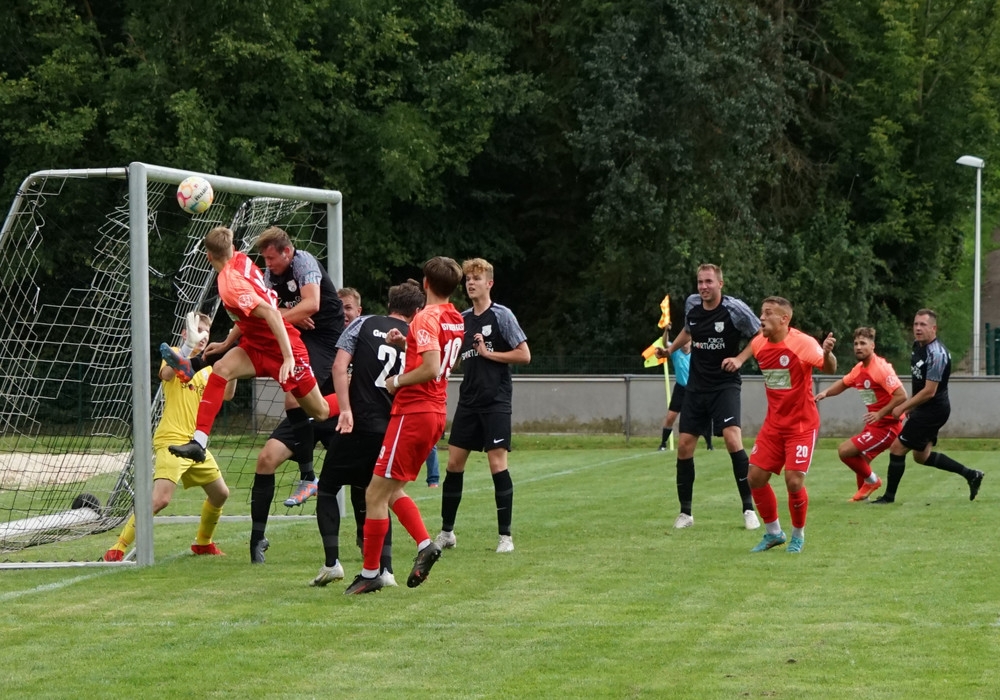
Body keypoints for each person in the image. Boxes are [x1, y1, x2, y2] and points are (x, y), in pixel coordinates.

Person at [167, 227, 338, 469]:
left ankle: (354, 395)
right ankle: (199, 442)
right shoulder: (240, 260)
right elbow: (248, 317)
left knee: (320, 411)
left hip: (282, 347)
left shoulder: (230, 285)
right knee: (221, 369)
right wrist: (227, 343)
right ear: (232, 248)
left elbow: (272, 314)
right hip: (256, 345)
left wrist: (288, 357)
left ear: (208, 256)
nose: (267, 263)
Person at [344, 256, 465, 594]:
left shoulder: (425, 316)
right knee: (391, 490)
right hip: (435, 412)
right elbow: (444, 357)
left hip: (413, 412)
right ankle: (425, 544)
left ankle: (372, 572)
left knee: (374, 493)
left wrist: (396, 381)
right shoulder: (455, 317)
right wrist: (406, 343)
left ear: (426, 284)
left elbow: (431, 367)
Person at [311, 280, 425, 588]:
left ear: (389, 305)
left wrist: (345, 409)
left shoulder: (364, 323)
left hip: (360, 421)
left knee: (328, 487)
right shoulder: (416, 336)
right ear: (416, 311)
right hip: (392, 427)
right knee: (382, 494)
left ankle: (332, 563)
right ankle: (385, 569)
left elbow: (339, 367)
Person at [103, 313, 235, 561]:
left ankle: (203, 543)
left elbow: (227, 395)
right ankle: (118, 547)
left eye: (206, 332)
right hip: (172, 441)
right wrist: (186, 348)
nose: (203, 336)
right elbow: (166, 374)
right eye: (198, 330)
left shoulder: (207, 367)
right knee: (160, 499)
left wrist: (233, 363)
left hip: (195, 445)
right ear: (186, 333)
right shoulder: (176, 353)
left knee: (221, 494)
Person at [433, 258, 530, 554]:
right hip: (469, 401)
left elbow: (524, 355)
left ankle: (505, 537)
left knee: (497, 464)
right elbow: (451, 357)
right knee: (453, 464)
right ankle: (447, 532)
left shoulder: (502, 315)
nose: (470, 283)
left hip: (496, 400)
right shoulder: (461, 319)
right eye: (467, 280)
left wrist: (490, 354)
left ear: (489, 283)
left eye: (476, 279)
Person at [655, 264, 762, 530]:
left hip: (725, 385)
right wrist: (670, 351)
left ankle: (749, 509)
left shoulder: (735, 309)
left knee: (732, 439)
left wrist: (739, 359)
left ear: (720, 284)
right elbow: (688, 330)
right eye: (700, 282)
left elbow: (759, 335)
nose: (703, 287)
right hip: (696, 386)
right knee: (684, 446)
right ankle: (685, 514)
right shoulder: (693, 305)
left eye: (708, 282)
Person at [256, 227, 345, 508]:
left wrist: (285, 315)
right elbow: (267, 311)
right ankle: (308, 475)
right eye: (265, 259)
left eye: (272, 258)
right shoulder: (271, 274)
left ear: (287, 251)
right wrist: (291, 316)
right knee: (294, 399)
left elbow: (312, 304)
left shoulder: (303, 261)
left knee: (295, 398)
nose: (268, 264)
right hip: (302, 335)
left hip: (327, 338)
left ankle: (308, 476)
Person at [747, 297, 836, 554]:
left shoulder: (803, 343)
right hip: (773, 425)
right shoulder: (758, 344)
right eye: (761, 313)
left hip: (801, 425)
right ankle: (774, 533)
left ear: (784, 319)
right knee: (755, 477)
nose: (762, 317)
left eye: (768, 313)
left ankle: (798, 536)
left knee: (793, 481)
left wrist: (827, 353)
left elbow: (829, 369)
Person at [872, 309, 984, 504]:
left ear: (934, 328)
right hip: (925, 408)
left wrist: (903, 407)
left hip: (933, 410)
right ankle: (971, 475)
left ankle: (888, 498)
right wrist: (912, 407)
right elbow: (919, 383)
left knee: (897, 448)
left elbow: (929, 391)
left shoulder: (937, 354)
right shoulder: (918, 346)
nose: (918, 328)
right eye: (916, 324)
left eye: (923, 325)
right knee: (921, 456)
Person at [815, 327, 906, 501]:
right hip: (875, 424)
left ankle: (873, 481)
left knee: (845, 451)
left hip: (887, 427)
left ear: (872, 346)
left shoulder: (880, 369)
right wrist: (826, 393)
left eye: (863, 343)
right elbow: (844, 383)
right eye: (856, 343)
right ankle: (863, 498)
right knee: (861, 460)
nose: (858, 347)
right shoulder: (859, 368)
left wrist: (880, 414)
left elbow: (901, 395)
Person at [658, 325, 713, 452]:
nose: (684, 344)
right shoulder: (676, 352)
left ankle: (709, 445)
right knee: (670, 417)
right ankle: (663, 444)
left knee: (704, 416)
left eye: (686, 341)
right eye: (682, 342)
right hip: (680, 388)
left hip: (695, 389)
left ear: (691, 341)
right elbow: (665, 343)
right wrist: (666, 330)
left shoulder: (697, 353)